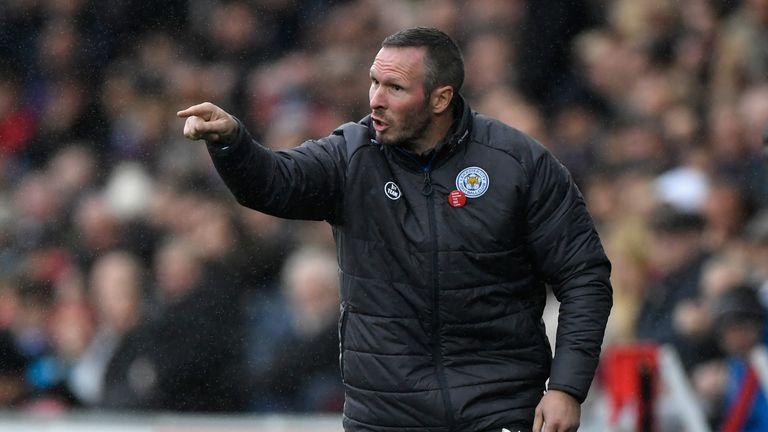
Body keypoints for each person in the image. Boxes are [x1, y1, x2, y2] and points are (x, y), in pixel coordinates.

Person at [178, 27, 612, 432]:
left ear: (441, 99)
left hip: (498, 409)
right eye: (374, 82)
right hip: (386, 416)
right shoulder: (350, 155)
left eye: (395, 88)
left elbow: (584, 277)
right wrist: (232, 142)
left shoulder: (517, 164)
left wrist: (566, 388)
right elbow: (274, 183)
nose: (375, 100)